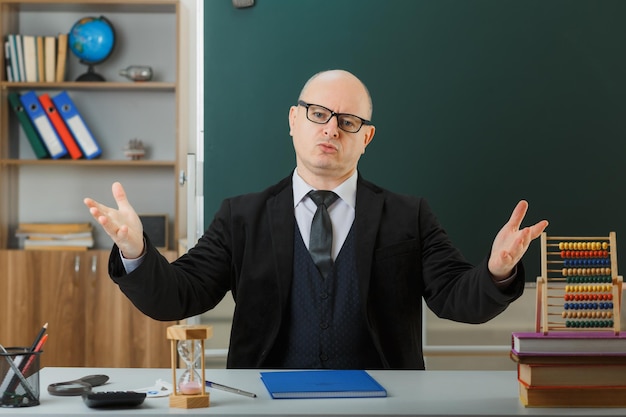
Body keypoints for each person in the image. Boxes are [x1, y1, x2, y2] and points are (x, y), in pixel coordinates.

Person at [84, 69, 548, 370]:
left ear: (366, 138)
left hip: (386, 403)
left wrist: (497, 271)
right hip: (265, 403)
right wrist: (136, 252)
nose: (330, 128)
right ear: (293, 120)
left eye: (347, 122)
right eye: (318, 114)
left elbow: (456, 300)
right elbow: (177, 296)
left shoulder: (409, 216)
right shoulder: (240, 217)